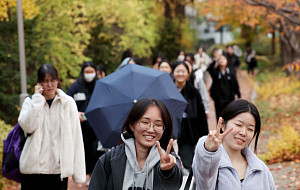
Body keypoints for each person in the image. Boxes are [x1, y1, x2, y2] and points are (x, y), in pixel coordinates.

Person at [88, 98, 183, 190]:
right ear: (131, 125)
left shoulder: (169, 161)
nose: (150, 130)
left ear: (164, 129)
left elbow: (175, 184)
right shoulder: (109, 160)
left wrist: (168, 171)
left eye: (158, 125)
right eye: (145, 122)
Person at [18, 64, 85, 190]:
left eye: (52, 80)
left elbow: (76, 137)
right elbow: (27, 127)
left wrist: (78, 172)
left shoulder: (68, 103)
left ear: (57, 81)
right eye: (45, 81)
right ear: (39, 83)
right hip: (33, 170)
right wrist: (37, 100)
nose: (49, 85)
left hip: (58, 171)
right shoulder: (30, 102)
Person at [192, 99, 276, 190]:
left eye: (250, 129)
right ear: (223, 125)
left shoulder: (260, 170)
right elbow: (204, 184)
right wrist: (209, 152)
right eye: (238, 125)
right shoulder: (208, 163)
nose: (243, 133)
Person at [172, 61, 208, 171]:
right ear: (173, 72)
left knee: (186, 164)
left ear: (188, 73)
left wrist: (204, 138)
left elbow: (201, 115)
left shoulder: (193, 92)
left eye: (183, 71)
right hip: (171, 134)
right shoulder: (169, 91)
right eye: (178, 71)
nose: (180, 74)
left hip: (188, 134)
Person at [67, 61, 98, 183]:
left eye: (91, 72)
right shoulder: (76, 86)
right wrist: (76, 114)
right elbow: (67, 102)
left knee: (96, 151)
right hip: (81, 126)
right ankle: (82, 176)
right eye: (87, 72)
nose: (89, 74)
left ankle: (94, 176)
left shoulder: (100, 85)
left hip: (97, 126)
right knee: (83, 151)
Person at [207, 55, 241, 121]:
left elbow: (235, 83)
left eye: (224, 59)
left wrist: (238, 93)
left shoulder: (230, 71)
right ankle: (220, 130)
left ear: (227, 61)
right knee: (219, 117)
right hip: (218, 99)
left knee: (229, 116)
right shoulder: (215, 72)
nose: (222, 60)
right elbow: (209, 69)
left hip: (229, 99)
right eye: (220, 59)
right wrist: (214, 60)